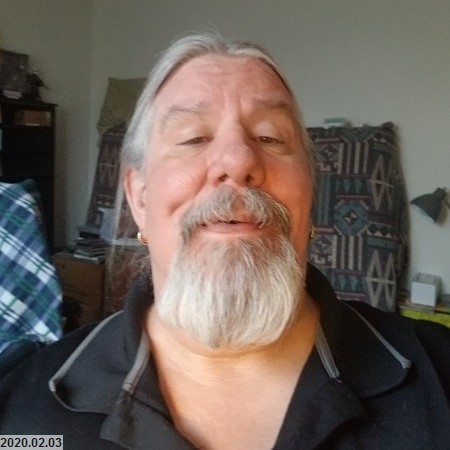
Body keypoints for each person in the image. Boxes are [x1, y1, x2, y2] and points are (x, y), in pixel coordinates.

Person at [1, 32, 449, 450]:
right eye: (193, 138)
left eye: (270, 137)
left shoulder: (440, 372)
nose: (237, 160)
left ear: (310, 193)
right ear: (139, 198)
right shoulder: (18, 412)